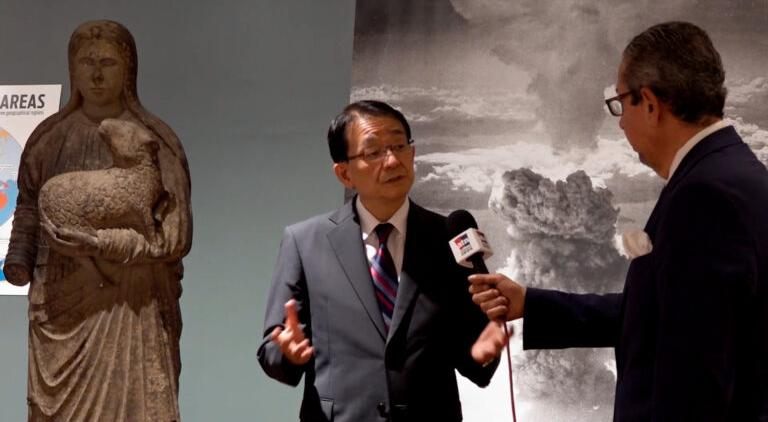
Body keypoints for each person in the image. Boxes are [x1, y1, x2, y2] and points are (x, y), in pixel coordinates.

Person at [469, 21, 768, 421]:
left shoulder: (703, 198)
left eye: (619, 103)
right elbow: (667, 315)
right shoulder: (737, 173)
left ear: (649, 102)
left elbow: (694, 384)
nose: (621, 121)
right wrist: (535, 305)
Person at [258, 100, 504, 422]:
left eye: (399, 145)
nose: (391, 160)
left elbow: (475, 360)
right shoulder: (305, 242)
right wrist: (287, 352)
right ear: (344, 173)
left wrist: (483, 353)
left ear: (412, 153)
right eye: (373, 152)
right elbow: (271, 353)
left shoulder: (449, 237)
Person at [4, 20, 192, 421]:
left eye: (108, 62)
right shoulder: (47, 139)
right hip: (61, 305)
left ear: (128, 69)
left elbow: (174, 237)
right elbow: (28, 208)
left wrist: (105, 245)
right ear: (71, 69)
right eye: (86, 62)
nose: (96, 73)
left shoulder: (155, 140)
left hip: (133, 305)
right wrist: (17, 258)